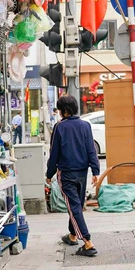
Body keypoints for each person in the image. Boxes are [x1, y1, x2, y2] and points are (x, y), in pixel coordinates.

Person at [46, 95, 100, 256]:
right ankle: (72, 235)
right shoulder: (85, 125)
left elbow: (54, 153)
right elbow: (91, 150)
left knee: (74, 206)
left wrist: (49, 174)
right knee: (76, 205)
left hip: (66, 174)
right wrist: (95, 171)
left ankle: (87, 242)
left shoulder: (60, 127)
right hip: (83, 173)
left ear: (64, 111)